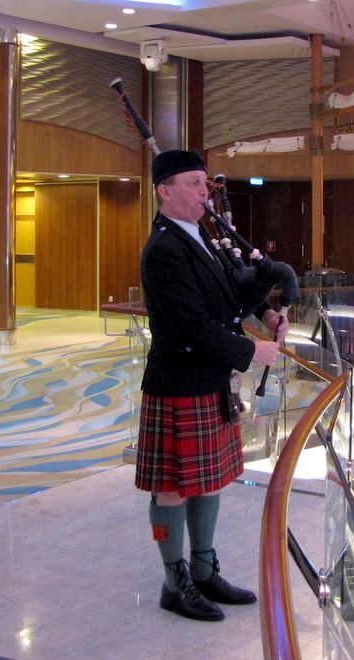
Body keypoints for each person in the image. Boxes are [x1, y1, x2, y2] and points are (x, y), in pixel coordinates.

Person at [136, 149, 287, 622]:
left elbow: (227, 296)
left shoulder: (199, 235)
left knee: (208, 481)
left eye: (205, 183)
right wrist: (250, 350)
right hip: (178, 381)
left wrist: (264, 313)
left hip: (209, 379)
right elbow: (192, 323)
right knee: (173, 488)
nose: (204, 192)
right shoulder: (163, 250)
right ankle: (174, 583)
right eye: (193, 183)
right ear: (165, 191)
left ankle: (203, 571)